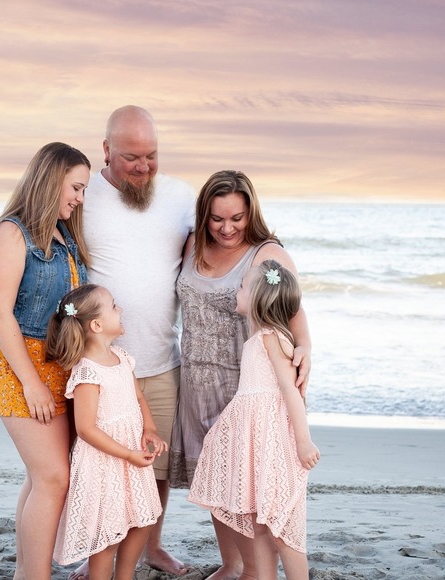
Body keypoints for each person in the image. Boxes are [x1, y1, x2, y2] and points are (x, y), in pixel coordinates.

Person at [169, 169, 311, 579]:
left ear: (251, 213)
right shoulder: (193, 244)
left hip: (244, 386)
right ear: (204, 215)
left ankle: (254, 569)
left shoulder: (266, 253)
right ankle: (232, 564)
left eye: (237, 218)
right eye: (217, 218)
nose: (227, 228)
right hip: (196, 381)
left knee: (246, 482)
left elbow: (292, 311)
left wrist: (305, 348)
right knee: (216, 478)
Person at [75, 105, 195, 577]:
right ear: (106, 150)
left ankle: (153, 547)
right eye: (131, 157)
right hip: (99, 365)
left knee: (154, 467)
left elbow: (232, 239)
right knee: (98, 470)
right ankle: (96, 555)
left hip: (161, 357)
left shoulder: (181, 196)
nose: (144, 167)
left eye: (152, 155)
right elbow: (40, 251)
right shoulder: (83, 196)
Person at [0, 142, 91, 580]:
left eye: (83, 190)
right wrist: (31, 382)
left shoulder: (66, 235)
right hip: (19, 366)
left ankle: (26, 572)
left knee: (42, 475)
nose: (80, 198)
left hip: (59, 366)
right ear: (51, 179)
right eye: (76, 187)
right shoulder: (11, 233)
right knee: (53, 477)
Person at [188, 260, 320, 580]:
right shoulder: (256, 339)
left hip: (274, 444)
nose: (237, 290)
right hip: (256, 445)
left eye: (243, 286)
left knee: (280, 526)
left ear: (259, 297)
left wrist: (304, 442)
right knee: (258, 523)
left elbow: (291, 392)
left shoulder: (272, 337)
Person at [45, 284, 168, 580]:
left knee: (143, 519)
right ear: (97, 325)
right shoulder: (87, 372)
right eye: (114, 306)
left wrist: (150, 429)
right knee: (107, 532)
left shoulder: (122, 357)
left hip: (131, 454)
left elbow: (138, 398)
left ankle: (124, 575)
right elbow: (86, 429)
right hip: (105, 461)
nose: (120, 309)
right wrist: (127, 453)